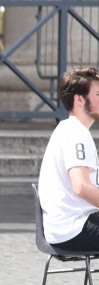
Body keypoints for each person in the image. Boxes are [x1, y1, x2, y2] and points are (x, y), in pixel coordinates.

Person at [38, 67, 99, 251]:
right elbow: (81, 187)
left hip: (67, 225)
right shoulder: (77, 133)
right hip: (73, 228)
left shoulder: (68, 129)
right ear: (79, 99)